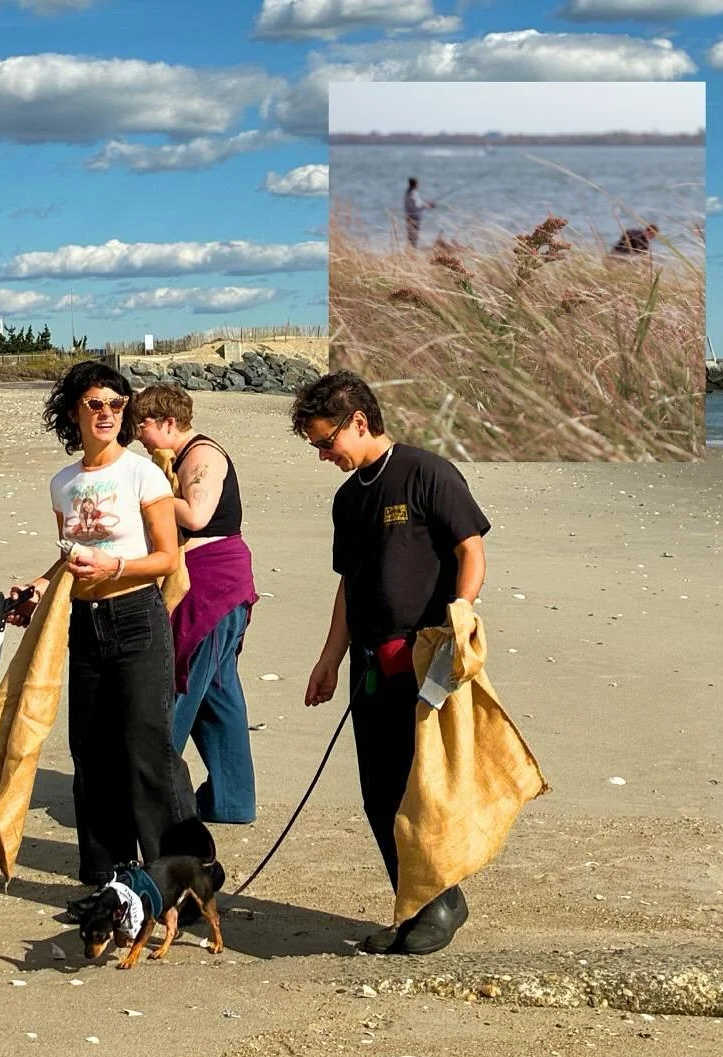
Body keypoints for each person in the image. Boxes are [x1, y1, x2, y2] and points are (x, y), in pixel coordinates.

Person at [291, 370, 491, 956]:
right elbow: (349, 586)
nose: (324, 454)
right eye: (316, 446)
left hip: (427, 655)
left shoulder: (426, 472)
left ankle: (442, 901)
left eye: (327, 442)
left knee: (420, 785)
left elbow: (470, 549)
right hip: (370, 661)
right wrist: (328, 660)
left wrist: (461, 612)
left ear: (359, 421)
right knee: (379, 791)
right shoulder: (347, 498)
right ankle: (415, 901)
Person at [6, 361, 208, 886]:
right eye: (95, 404)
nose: (107, 414)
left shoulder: (140, 472)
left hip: (137, 617)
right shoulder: (63, 483)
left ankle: (175, 877)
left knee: (148, 749)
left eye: (117, 405)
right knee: (91, 754)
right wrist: (37, 588)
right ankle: (107, 878)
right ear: (74, 410)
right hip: (84, 624)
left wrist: (114, 566)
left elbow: (167, 559)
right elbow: (72, 555)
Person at [134, 383, 259, 824]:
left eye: (143, 426)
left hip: (208, 584)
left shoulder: (202, 456)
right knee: (219, 696)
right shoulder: (180, 458)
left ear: (168, 423)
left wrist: (149, 491)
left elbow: (198, 516)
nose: (139, 436)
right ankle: (232, 801)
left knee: (178, 685)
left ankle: (152, 797)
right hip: (215, 583)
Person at [404, 177, 436, 249]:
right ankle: (412, 251)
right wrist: (428, 205)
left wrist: (427, 204)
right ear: (415, 184)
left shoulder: (408, 192)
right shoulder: (412, 193)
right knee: (413, 237)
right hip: (413, 218)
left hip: (409, 217)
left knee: (412, 237)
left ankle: (411, 251)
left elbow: (417, 204)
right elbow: (417, 206)